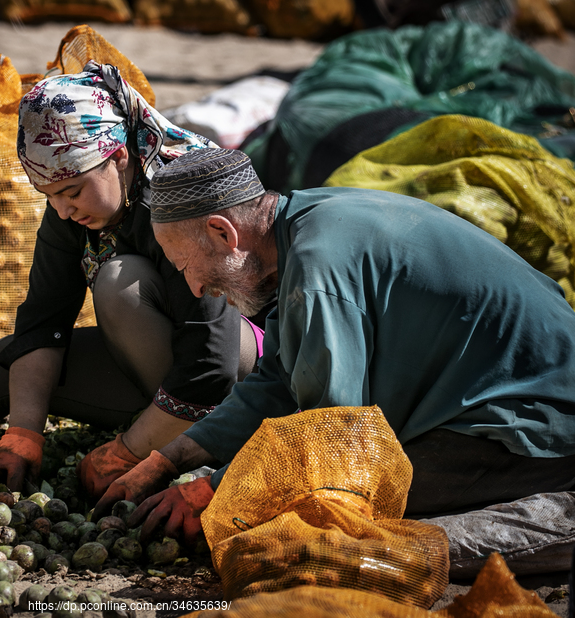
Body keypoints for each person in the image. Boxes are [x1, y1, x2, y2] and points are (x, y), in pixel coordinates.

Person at [96, 147, 575, 545]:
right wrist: (171, 458)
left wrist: (213, 492)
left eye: (186, 266)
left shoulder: (317, 267)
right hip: (490, 396)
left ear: (224, 232)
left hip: (535, 420)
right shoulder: (299, 224)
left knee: (330, 518)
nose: (196, 289)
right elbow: (278, 382)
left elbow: (333, 436)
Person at [0, 63, 264, 494]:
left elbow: (210, 363)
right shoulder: (73, 212)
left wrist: (129, 451)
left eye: (73, 192)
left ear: (118, 156)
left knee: (119, 280)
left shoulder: (184, 196)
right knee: (6, 365)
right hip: (165, 377)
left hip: (243, 386)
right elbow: (42, 324)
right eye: (51, 198)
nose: (65, 211)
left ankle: (193, 447)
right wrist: (24, 432)